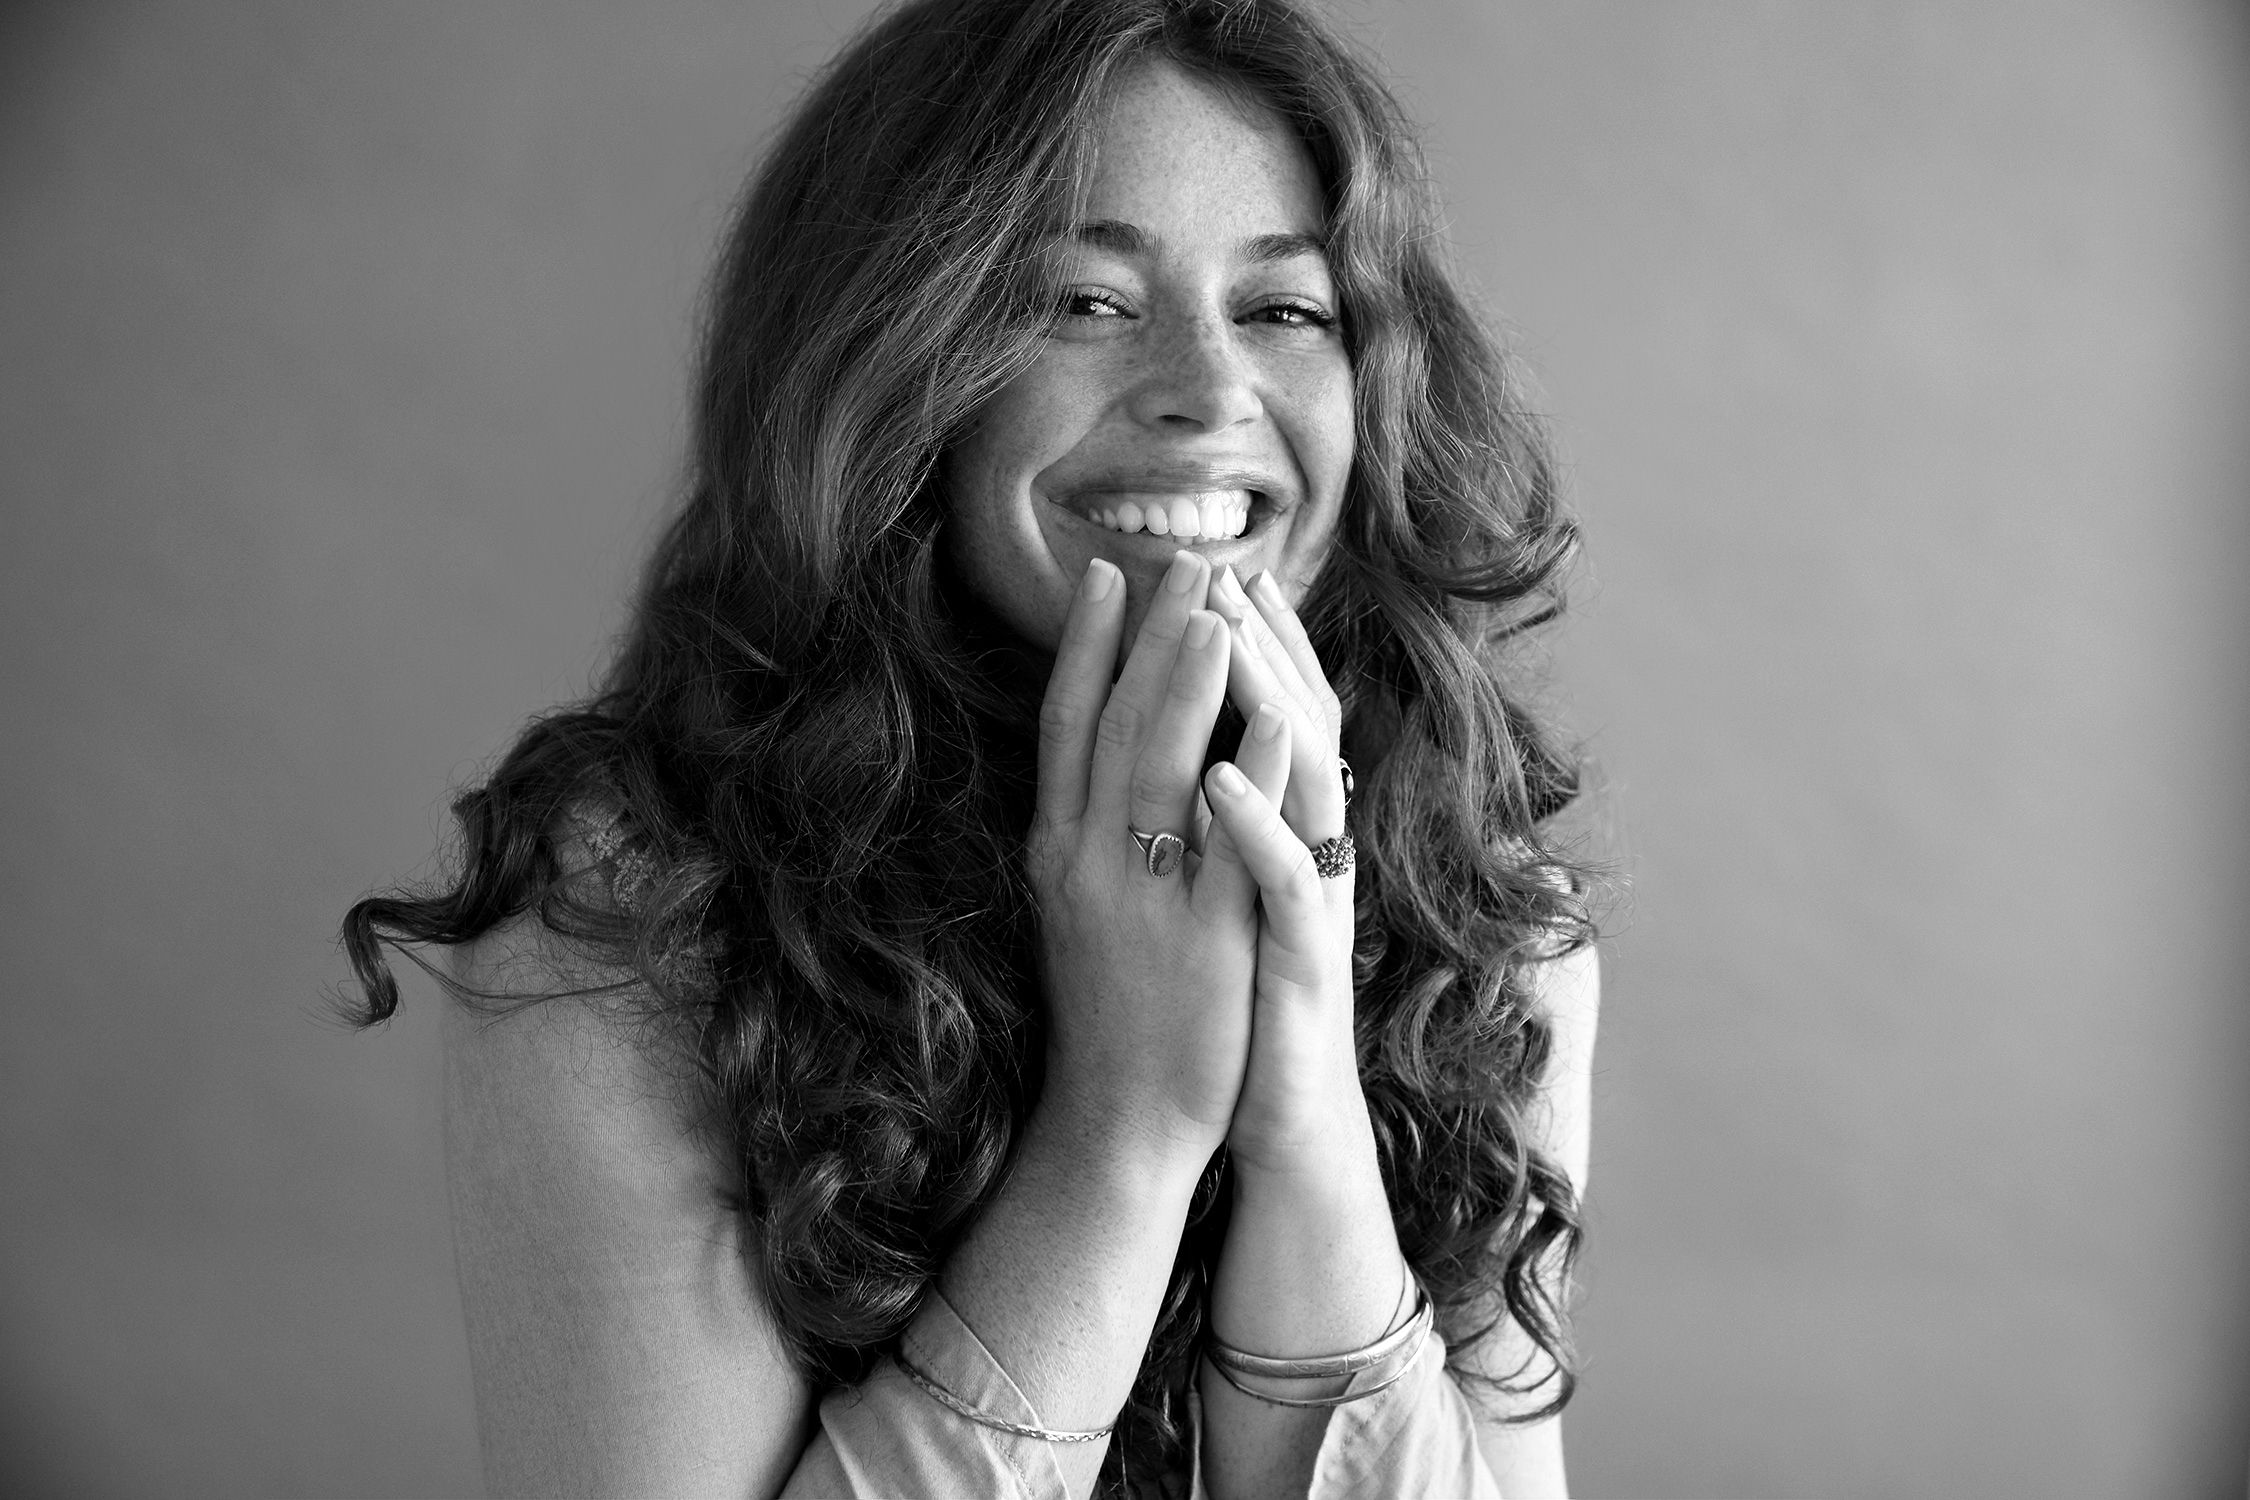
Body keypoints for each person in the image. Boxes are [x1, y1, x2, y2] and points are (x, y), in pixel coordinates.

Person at [343, 1, 1599, 1495]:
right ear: (894, 359)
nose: (1209, 390)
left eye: (1284, 309)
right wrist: (1127, 1123)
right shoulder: (626, 920)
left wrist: (1308, 1110)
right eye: (1082, 300)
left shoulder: (1482, 912)